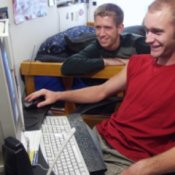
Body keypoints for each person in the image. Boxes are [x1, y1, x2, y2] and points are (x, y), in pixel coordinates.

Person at [25, 0, 175, 174]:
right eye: (146, 30)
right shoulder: (138, 62)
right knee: (34, 159)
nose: (148, 39)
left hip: (130, 159)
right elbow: (101, 91)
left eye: (157, 32)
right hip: (99, 137)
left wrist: (143, 169)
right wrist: (57, 95)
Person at [61, 3, 150, 77]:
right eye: (98, 27)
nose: (101, 33)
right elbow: (67, 66)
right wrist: (107, 61)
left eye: (107, 28)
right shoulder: (97, 45)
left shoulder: (138, 43)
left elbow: (158, 63)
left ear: (120, 28)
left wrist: (133, 62)